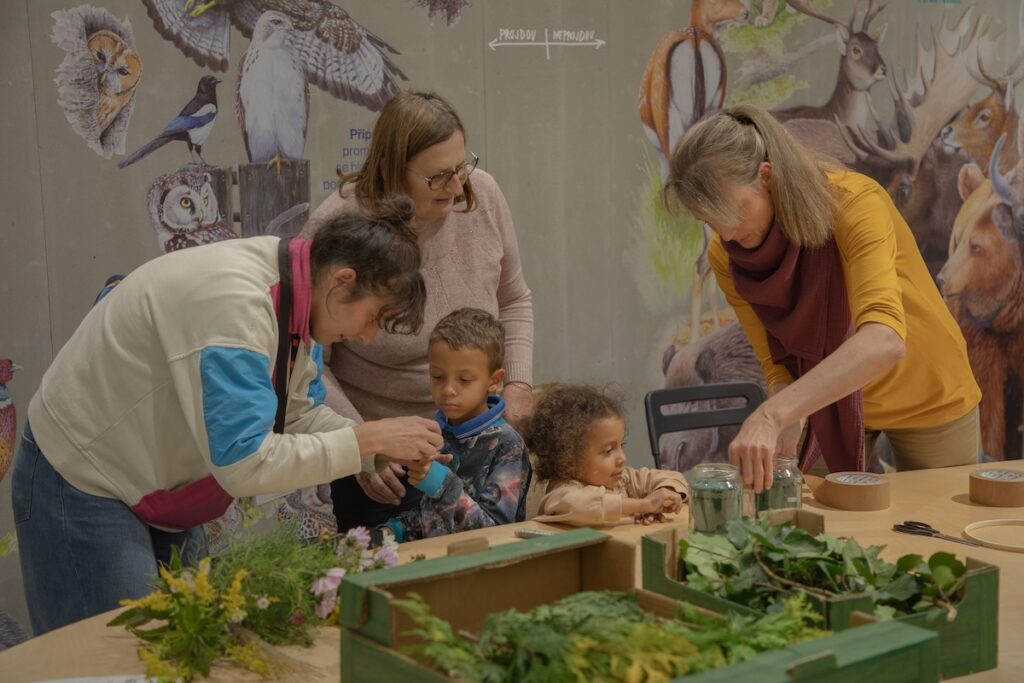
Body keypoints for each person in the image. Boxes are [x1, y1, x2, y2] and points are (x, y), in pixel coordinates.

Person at [11, 198, 444, 635]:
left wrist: (375, 449)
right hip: (86, 473)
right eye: (373, 318)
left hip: (155, 480)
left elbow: (294, 414)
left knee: (183, 640)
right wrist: (366, 440)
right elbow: (244, 462)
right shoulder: (239, 308)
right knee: (111, 653)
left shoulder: (299, 296)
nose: (367, 337)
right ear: (341, 281)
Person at [663, 103, 982, 492]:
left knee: (939, 519)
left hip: (927, 388)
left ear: (767, 177)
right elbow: (776, 362)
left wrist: (772, 415)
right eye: (709, 220)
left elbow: (884, 340)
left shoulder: (856, 204)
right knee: (812, 519)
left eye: (733, 211)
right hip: (829, 401)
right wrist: (787, 415)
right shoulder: (726, 254)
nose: (726, 233)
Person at [301, 91, 534, 531]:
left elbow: (514, 299)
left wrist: (518, 386)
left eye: (462, 167)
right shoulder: (339, 228)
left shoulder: (483, 194)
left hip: (477, 440)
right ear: (393, 170)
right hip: (387, 464)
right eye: (439, 176)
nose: (458, 186)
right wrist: (363, 445)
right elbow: (311, 362)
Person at [381, 308, 530, 541]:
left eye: (465, 379)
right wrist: (394, 532)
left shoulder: (508, 445)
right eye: (437, 376)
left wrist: (441, 483)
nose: (448, 390)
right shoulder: (437, 433)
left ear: (494, 380)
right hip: (435, 556)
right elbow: (432, 517)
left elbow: (494, 532)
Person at [524, 384, 686, 526]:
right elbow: (586, 505)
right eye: (608, 451)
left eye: (621, 445)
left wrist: (664, 495)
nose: (622, 458)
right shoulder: (561, 494)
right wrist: (644, 505)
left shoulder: (623, 479)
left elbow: (673, 477)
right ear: (569, 461)